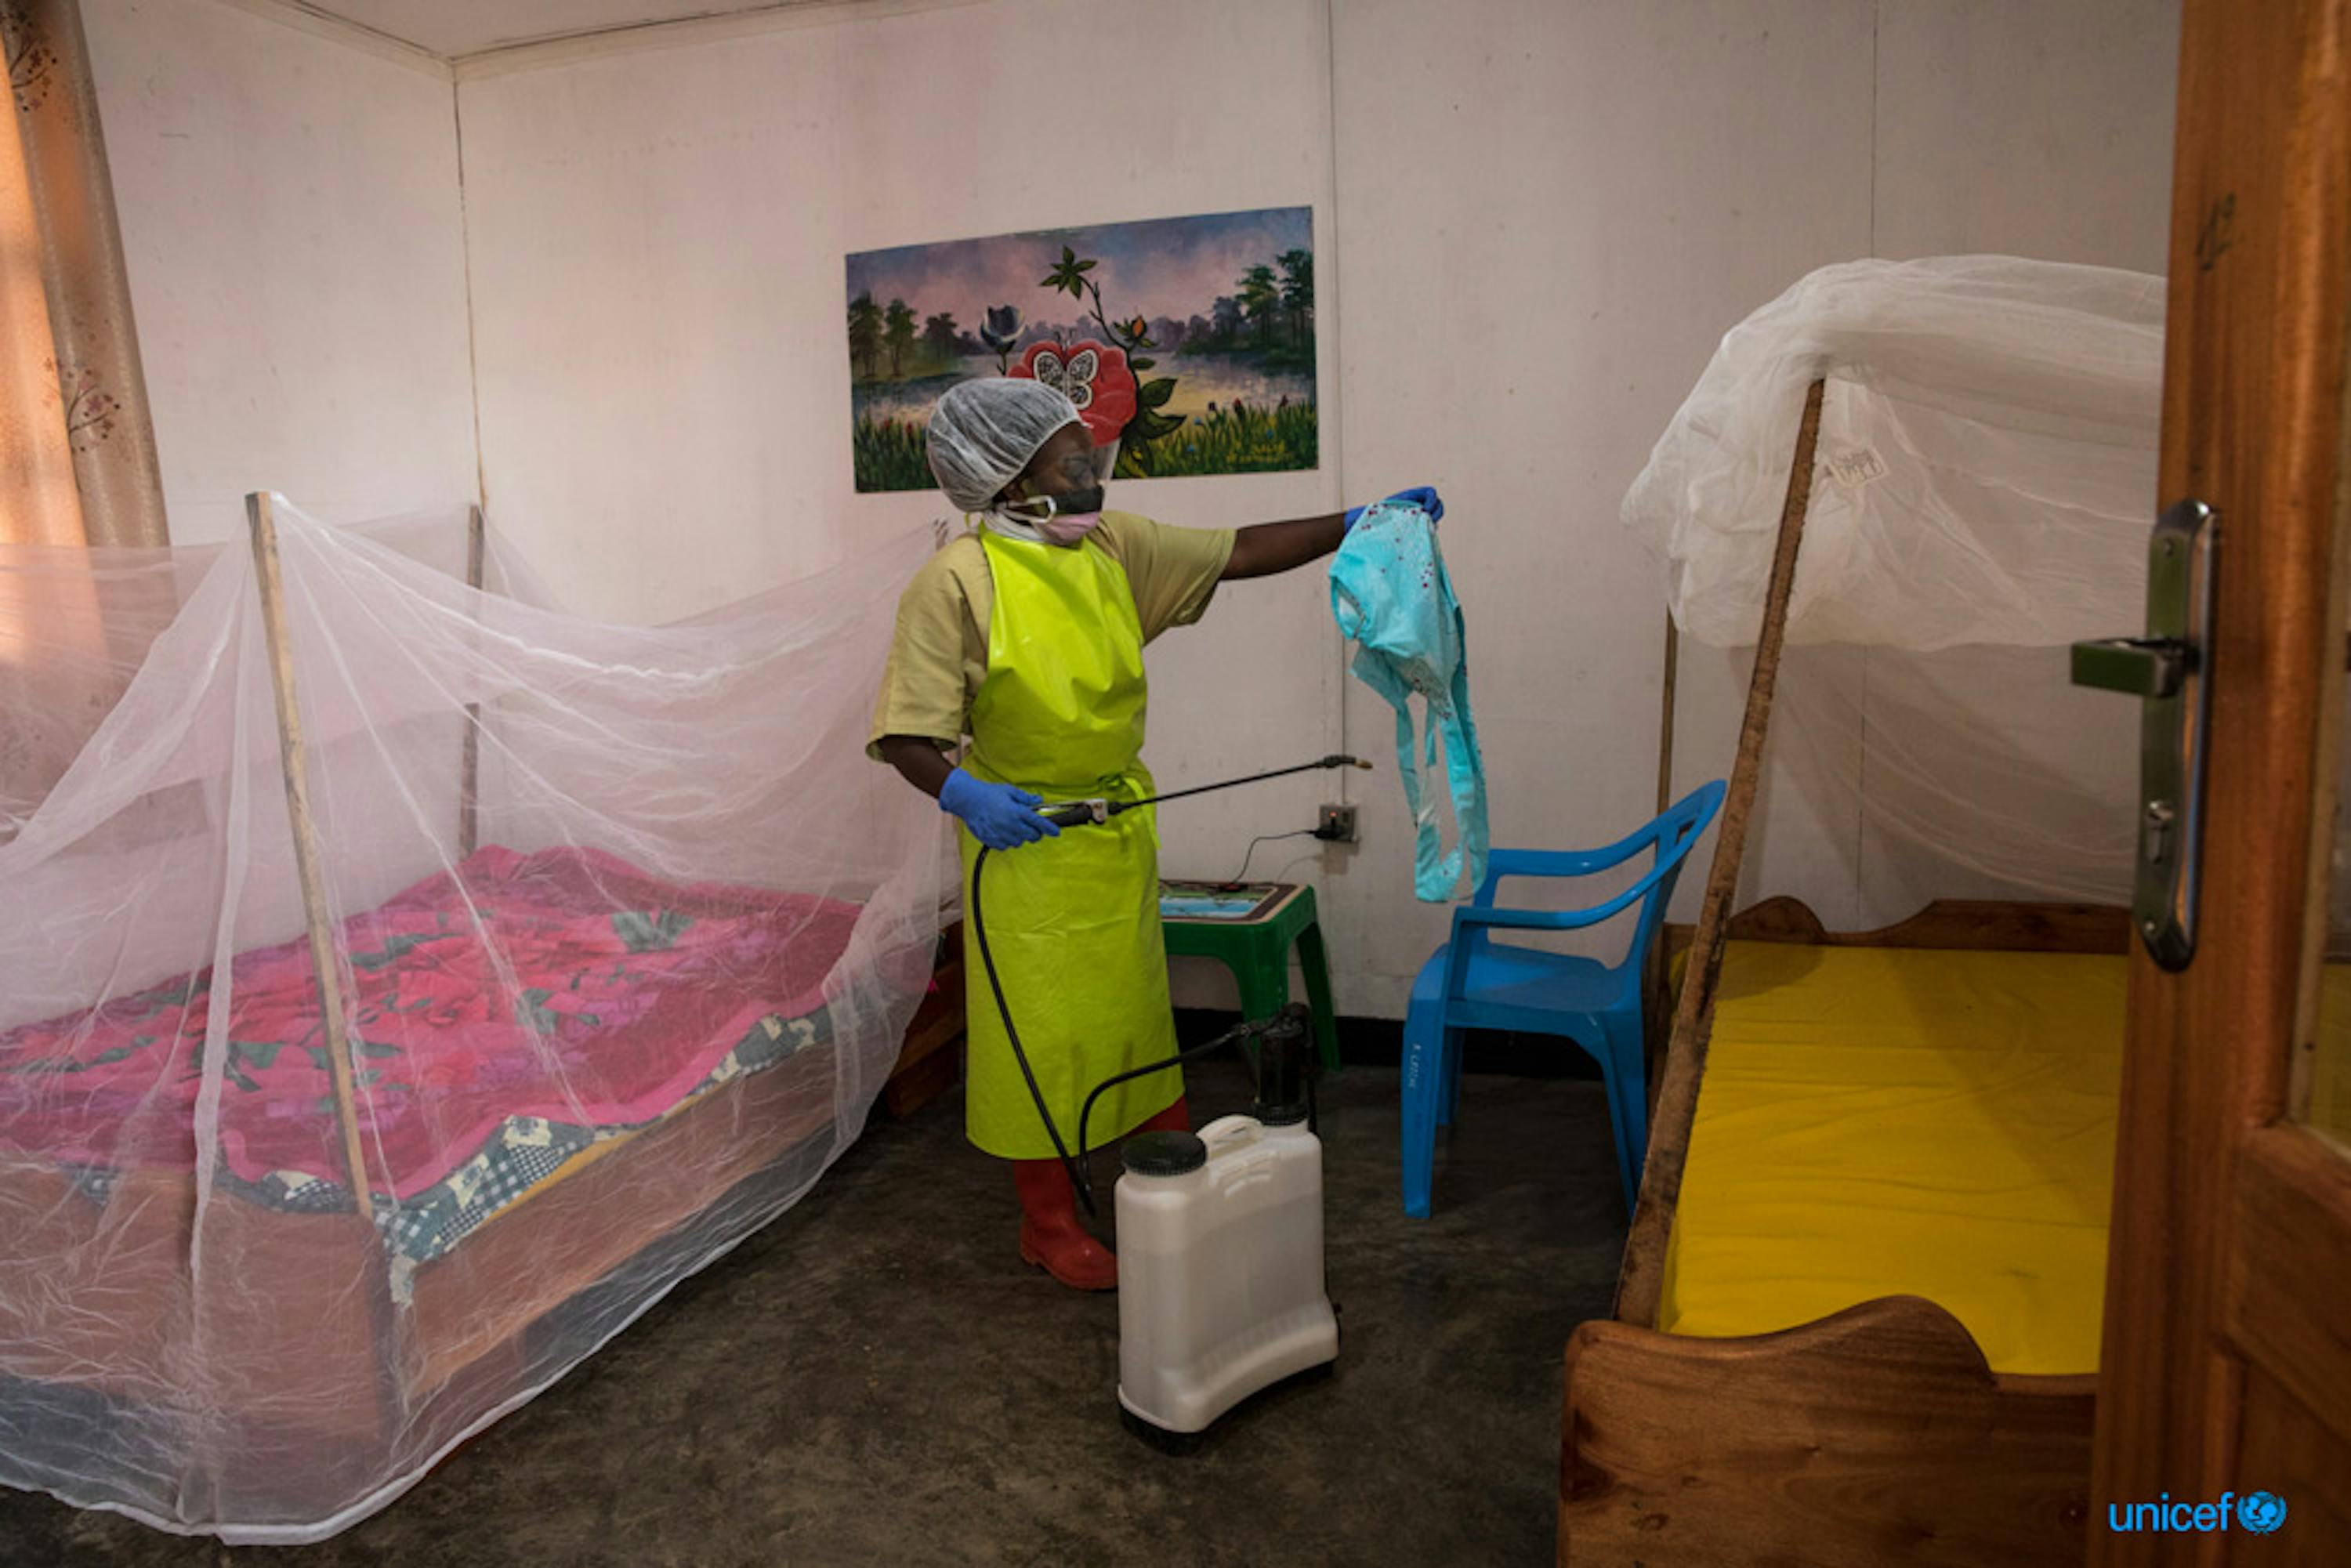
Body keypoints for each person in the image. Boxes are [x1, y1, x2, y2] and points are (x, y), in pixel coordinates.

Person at [870, 375, 1440, 1290]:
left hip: (1114, 826)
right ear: (1011, 480)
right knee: (1045, 1040)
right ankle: (1048, 1223)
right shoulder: (954, 584)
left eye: (1086, 456)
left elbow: (1241, 551)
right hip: (1022, 844)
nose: (1092, 476)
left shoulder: (1107, 546)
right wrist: (968, 795)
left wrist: (1360, 520)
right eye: (1068, 463)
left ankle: (1172, 1188)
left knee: (1136, 1019)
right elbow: (907, 733)